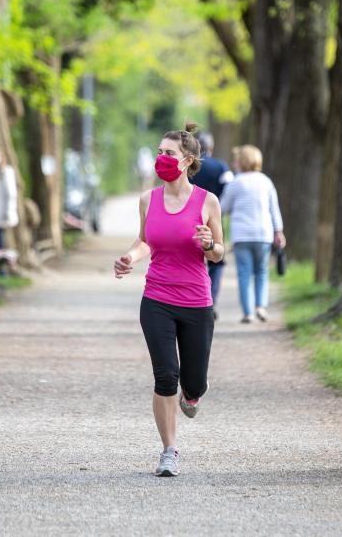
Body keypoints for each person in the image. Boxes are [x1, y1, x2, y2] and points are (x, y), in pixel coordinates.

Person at [113, 122, 225, 477]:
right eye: (159, 152)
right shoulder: (149, 199)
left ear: (187, 160)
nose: (161, 159)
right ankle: (169, 451)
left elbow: (219, 253)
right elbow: (145, 240)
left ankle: (192, 396)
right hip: (157, 298)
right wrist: (130, 257)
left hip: (196, 302)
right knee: (165, 377)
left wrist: (208, 244)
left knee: (195, 382)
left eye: (168, 154)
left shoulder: (208, 201)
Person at [220, 145, 286, 323]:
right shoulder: (266, 181)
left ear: (241, 161)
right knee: (262, 272)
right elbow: (274, 209)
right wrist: (278, 231)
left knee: (244, 273)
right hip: (263, 234)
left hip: (242, 235)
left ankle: (248, 312)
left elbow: (223, 207)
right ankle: (261, 307)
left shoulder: (236, 182)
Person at [189, 132, 234, 319]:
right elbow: (229, 187)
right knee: (216, 259)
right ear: (211, 147)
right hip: (215, 216)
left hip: (189, 217)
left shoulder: (189, 167)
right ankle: (210, 299)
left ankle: (193, 299)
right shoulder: (221, 167)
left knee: (192, 259)